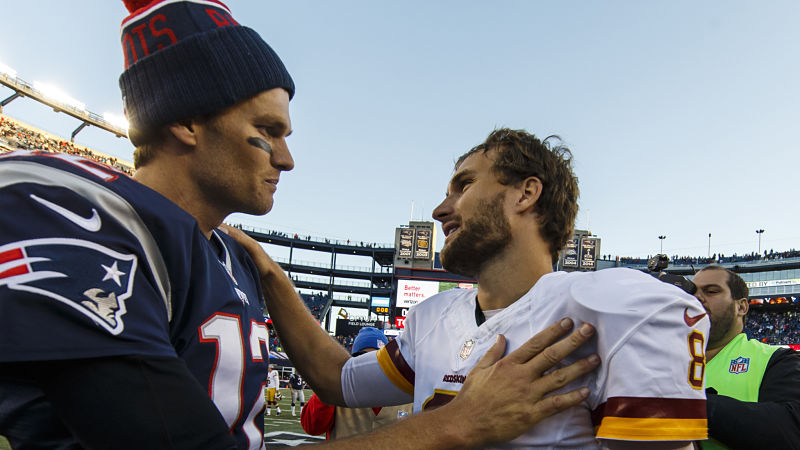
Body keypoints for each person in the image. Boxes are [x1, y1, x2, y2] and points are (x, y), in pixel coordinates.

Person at [0, 1, 600, 449]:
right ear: (185, 121)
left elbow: (332, 383)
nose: (285, 159)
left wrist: (273, 277)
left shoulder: (229, 257)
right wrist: (459, 423)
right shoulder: (67, 204)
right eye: (270, 130)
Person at [234, 128, 710, 449]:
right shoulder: (431, 318)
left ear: (525, 193)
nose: (442, 209)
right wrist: (271, 276)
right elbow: (340, 381)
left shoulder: (621, 308)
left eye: (463, 185)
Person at [691, 266, 800, 449]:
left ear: (741, 306)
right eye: (691, 292)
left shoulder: (778, 360)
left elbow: (790, 431)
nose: (697, 298)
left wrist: (688, 403)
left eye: (711, 291)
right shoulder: (665, 361)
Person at [301, 327, 412, 439]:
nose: (370, 364)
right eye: (363, 357)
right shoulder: (338, 388)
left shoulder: (405, 391)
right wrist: (328, 385)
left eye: (376, 357)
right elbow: (312, 427)